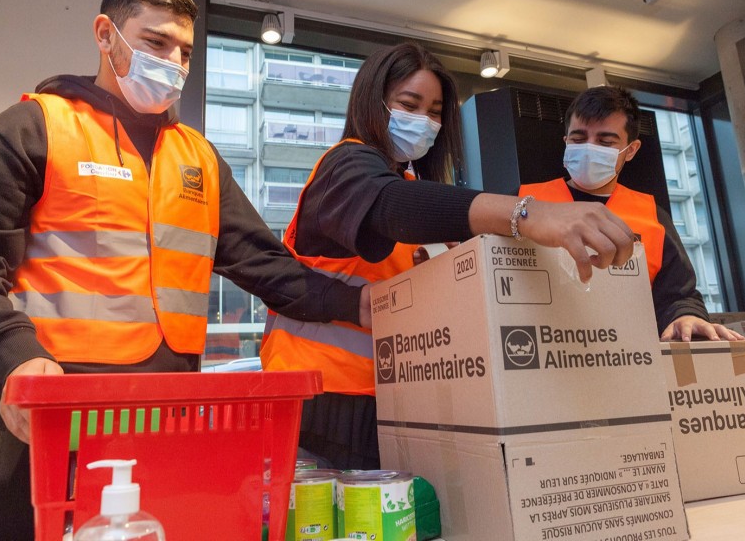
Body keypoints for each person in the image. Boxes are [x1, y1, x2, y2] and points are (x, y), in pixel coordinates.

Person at [0, 0, 370, 540]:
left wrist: (361, 304)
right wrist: (13, 355)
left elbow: (269, 267)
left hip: (166, 414)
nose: (175, 64)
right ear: (105, 35)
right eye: (156, 42)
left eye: (185, 52)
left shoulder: (199, 159)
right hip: (50, 409)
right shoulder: (32, 128)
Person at [260, 42, 639, 471]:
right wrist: (525, 214)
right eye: (410, 104)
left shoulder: (404, 181)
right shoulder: (345, 166)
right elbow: (392, 206)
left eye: (436, 111)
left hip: (393, 401)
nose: (424, 121)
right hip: (325, 403)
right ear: (373, 100)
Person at [518, 85, 743, 342]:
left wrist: (686, 316)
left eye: (605, 141)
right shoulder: (523, 203)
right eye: (579, 139)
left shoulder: (651, 217)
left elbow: (678, 295)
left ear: (631, 150)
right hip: (537, 349)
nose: (590, 148)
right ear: (566, 141)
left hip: (625, 356)